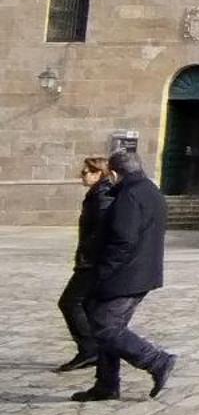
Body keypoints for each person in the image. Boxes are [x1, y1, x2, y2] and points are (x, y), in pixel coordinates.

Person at [72, 150, 175, 403]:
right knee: (107, 326)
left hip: (125, 275)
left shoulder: (129, 196)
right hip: (142, 271)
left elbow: (123, 240)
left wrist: (104, 271)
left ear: (115, 173)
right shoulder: (151, 191)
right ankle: (106, 384)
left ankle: (156, 360)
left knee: (104, 326)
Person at [56, 156, 114, 373]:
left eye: (85, 172)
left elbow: (101, 234)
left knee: (70, 303)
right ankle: (96, 350)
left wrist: (88, 258)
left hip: (92, 263)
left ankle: (90, 350)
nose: (82, 175)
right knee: (87, 306)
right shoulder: (96, 194)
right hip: (90, 261)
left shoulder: (102, 197)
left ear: (98, 173)